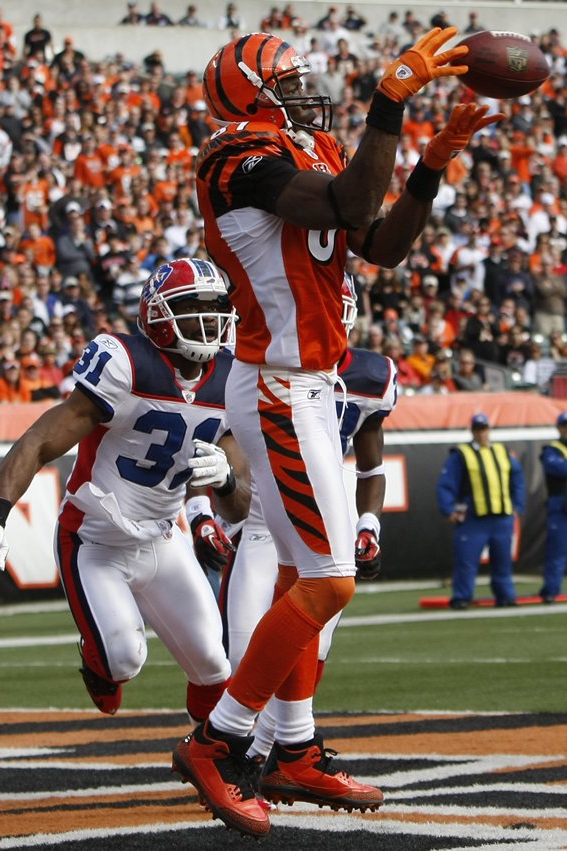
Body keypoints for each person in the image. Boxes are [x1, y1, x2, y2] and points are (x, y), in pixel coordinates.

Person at [173, 27, 500, 838]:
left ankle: (294, 747)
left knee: (298, 575)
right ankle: (219, 743)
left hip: (314, 385)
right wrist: (390, 101)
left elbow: (380, 243)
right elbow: (352, 203)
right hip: (278, 386)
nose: (306, 88)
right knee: (330, 579)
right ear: (249, 93)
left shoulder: (304, 141)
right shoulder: (232, 158)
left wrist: (429, 165)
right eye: (287, 78)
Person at [0, 258, 248, 725]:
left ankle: (213, 757)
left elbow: (238, 503)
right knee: (124, 659)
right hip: (95, 539)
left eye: (215, 308)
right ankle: (96, 656)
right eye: (194, 309)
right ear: (159, 317)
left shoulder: (233, 378)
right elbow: (40, 440)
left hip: (163, 537)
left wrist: (224, 478)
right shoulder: (126, 363)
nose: (210, 322)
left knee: (213, 664)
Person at [218, 290, 397, 780]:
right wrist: (204, 509)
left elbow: (371, 465)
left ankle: (271, 754)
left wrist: (369, 523)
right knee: (245, 653)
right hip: (259, 524)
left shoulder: (368, 376)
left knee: (310, 647)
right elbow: (215, 447)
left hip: (326, 521)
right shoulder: (252, 364)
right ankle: (231, 744)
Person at [437, 413, 525, 610]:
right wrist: (448, 509)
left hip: (501, 517)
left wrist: (517, 506)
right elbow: (446, 483)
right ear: (473, 431)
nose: (481, 433)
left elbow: (517, 479)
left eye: (484, 429)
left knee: (503, 561)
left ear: (489, 430)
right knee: (466, 561)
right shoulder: (462, 454)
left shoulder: (502, 451)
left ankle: (506, 596)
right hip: (473, 519)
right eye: (478, 429)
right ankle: (462, 597)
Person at [539, 412, 567, 603]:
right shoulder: (552, 449)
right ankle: (551, 590)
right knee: (557, 551)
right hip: (561, 505)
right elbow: (557, 468)